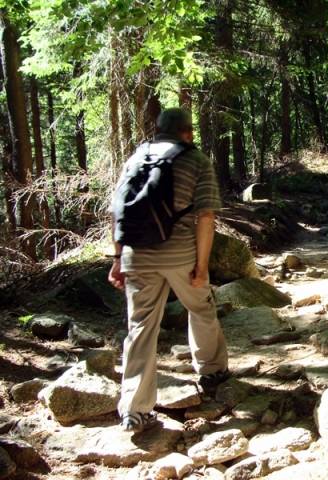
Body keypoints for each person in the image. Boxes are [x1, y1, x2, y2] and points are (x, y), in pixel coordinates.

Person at [108, 108, 229, 432]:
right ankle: (212, 370)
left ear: (157, 130)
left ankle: (134, 409)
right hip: (180, 255)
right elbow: (206, 217)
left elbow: (116, 212)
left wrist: (118, 259)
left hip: (136, 254)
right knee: (201, 306)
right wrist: (201, 266)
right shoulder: (196, 160)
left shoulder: (135, 158)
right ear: (187, 132)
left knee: (140, 327)